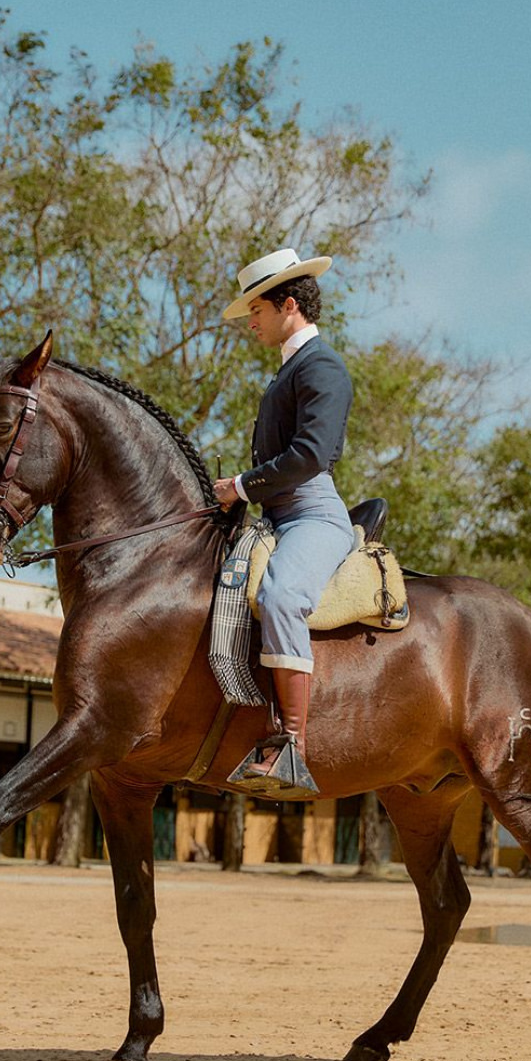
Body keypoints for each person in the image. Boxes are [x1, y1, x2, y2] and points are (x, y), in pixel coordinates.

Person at [213, 247, 354, 784]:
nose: (250, 322)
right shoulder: (289, 371)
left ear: (288, 304)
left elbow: (313, 454)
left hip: (313, 516)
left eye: (257, 311)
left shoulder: (322, 367)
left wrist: (243, 486)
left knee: (281, 596)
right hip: (276, 514)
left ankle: (292, 747)